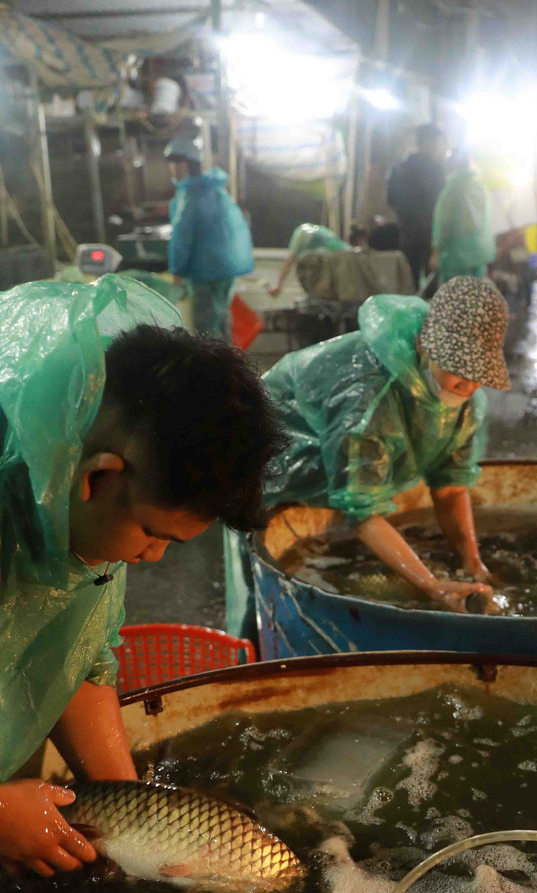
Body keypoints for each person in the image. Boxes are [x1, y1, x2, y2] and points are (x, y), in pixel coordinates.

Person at [0, 275, 284, 876]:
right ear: (100, 476)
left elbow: (75, 656)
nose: (153, 557)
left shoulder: (75, 488)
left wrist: (136, 818)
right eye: (155, 535)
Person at [225, 276, 511, 643]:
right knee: (267, 592)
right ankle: (252, 651)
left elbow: (451, 487)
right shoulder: (369, 395)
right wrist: (432, 586)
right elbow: (362, 512)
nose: (470, 384)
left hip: (333, 474)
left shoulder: (464, 405)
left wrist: (474, 565)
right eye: (460, 368)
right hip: (271, 468)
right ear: (425, 345)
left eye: (479, 374)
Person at [164, 134, 254, 338]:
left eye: (175, 163)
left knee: (206, 331)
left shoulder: (190, 194)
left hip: (203, 272)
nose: (172, 169)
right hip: (225, 270)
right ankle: (229, 358)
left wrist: (176, 271)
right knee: (222, 321)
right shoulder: (213, 188)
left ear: (186, 163)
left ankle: (214, 360)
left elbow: (182, 236)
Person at [387, 124, 448, 288]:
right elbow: (441, 202)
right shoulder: (436, 168)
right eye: (438, 142)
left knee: (408, 280)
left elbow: (390, 199)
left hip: (407, 230)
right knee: (432, 282)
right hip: (430, 232)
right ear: (431, 142)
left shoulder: (400, 167)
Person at [430, 150, 496, 284]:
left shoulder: (452, 190)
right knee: (476, 292)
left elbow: (442, 222)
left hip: (455, 258)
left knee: (454, 294)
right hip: (479, 255)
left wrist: (436, 251)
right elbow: (488, 221)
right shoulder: (480, 188)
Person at [269, 223, 353, 298]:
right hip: (348, 258)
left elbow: (289, 261)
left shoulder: (300, 235)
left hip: (342, 260)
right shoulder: (322, 232)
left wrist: (278, 285)